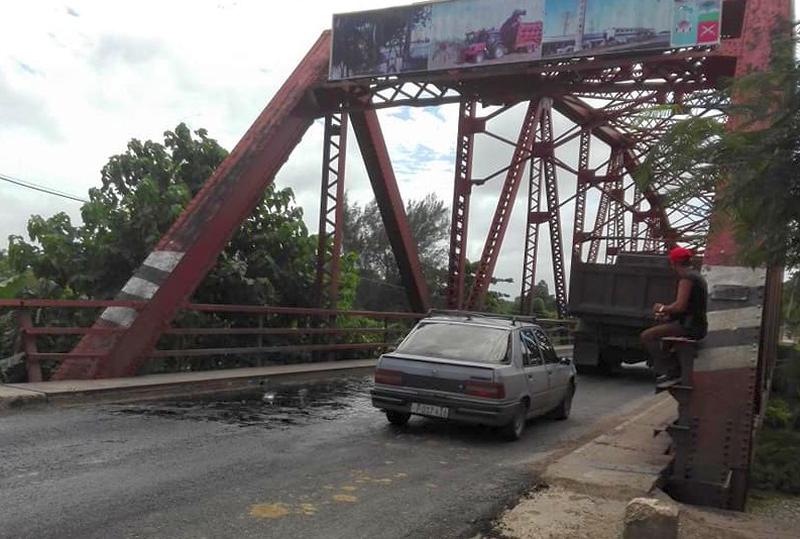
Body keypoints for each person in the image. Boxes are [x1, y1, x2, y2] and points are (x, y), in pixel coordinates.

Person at [640, 247, 708, 383]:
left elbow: (680, 306)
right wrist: (668, 316)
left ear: (673, 263)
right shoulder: (697, 276)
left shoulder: (687, 278)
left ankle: (672, 368)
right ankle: (675, 367)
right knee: (664, 330)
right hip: (697, 325)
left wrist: (662, 308)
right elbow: (690, 307)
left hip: (690, 327)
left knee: (647, 336)